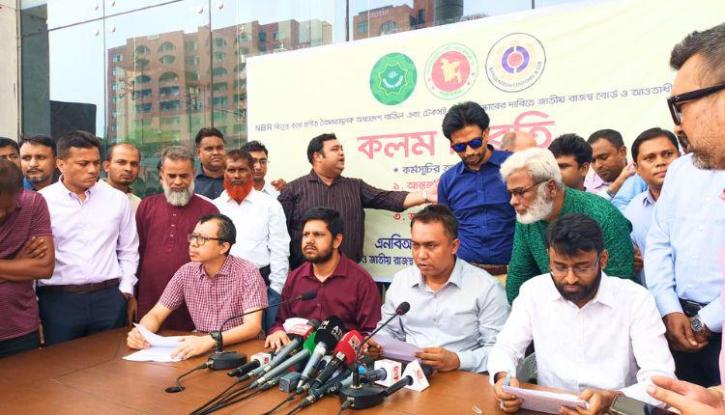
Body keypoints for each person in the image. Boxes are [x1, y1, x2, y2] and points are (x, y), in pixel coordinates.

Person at [490, 214, 676, 414]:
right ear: (549, 258)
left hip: (615, 410)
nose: (570, 279)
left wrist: (610, 399)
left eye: (582, 267)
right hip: (551, 409)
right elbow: (506, 347)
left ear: (603, 259)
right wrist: (504, 379)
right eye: (560, 267)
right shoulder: (533, 292)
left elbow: (661, 380)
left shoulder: (635, 299)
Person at [646, 22, 725, 413]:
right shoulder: (680, 171)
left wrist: (708, 319)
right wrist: (670, 308)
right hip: (678, 318)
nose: (678, 123)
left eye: (681, 105)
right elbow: (659, 242)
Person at [365, 205, 509, 373]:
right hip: (409, 375)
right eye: (415, 245)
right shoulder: (401, 281)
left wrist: (458, 360)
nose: (421, 255)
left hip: (464, 378)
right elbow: (389, 330)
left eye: (431, 245)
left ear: (454, 246)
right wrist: (378, 345)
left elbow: (500, 350)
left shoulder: (486, 287)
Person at [37, 130, 139, 346]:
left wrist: (125, 289)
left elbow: (129, 249)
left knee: (111, 362)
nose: (93, 170)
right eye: (83, 163)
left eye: (96, 162)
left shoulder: (117, 199)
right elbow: (34, 258)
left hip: (109, 299)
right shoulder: (42, 202)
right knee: (61, 364)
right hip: (58, 301)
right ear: (60, 164)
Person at [279, 133, 436, 269]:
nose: (341, 153)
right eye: (335, 149)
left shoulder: (355, 186)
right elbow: (278, 236)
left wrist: (426, 195)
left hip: (348, 276)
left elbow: (387, 198)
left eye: (342, 149)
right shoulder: (293, 190)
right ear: (317, 156)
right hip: (305, 277)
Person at [502, 148, 636, 304]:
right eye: (510, 193)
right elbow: (518, 278)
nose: (513, 201)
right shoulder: (529, 216)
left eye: (520, 192)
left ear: (551, 188)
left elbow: (620, 284)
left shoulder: (603, 216)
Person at [127, 214, 267, 359]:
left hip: (243, 350)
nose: (193, 243)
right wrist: (142, 333)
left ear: (224, 247)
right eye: (193, 237)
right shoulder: (186, 272)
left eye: (202, 239)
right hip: (202, 349)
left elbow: (252, 327)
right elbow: (156, 314)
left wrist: (210, 340)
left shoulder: (247, 273)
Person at [265, 207, 381, 350]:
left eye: (318, 235)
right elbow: (280, 322)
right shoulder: (295, 278)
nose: (309, 240)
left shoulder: (361, 281)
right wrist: (277, 332)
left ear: (337, 240)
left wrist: (362, 343)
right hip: (297, 354)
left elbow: (370, 333)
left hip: (341, 359)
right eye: (306, 234)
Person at [135, 146, 219, 331]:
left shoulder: (209, 210)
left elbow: (216, 259)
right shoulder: (146, 206)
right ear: (162, 174)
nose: (178, 182)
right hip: (150, 294)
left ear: (193, 174)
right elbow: (136, 253)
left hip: (193, 298)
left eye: (184, 176)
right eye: (172, 176)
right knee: (147, 341)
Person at [213, 149, 290, 332]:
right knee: (226, 337)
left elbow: (280, 249)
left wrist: (276, 289)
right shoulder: (214, 206)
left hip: (262, 284)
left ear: (251, 171)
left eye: (242, 170)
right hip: (222, 286)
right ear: (224, 172)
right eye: (231, 170)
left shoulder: (270, 205)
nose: (236, 175)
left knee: (260, 339)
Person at [437, 102, 516, 276]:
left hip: (515, 274)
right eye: (459, 147)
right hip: (466, 276)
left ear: (486, 133)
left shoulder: (516, 166)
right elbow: (445, 231)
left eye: (474, 143)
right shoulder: (447, 181)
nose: (469, 152)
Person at [0, 160, 54, 358]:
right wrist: (18, 263)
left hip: (20, 329)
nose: (0, 214)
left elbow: (44, 268)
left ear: (20, 192)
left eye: (7, 208)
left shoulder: (33, 203)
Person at [622, 128, 680, 287]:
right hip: (654, 299)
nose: (660, 162)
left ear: (681, 158)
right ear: (637, 168)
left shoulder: (705, 200)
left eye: (667, 154)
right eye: (650, 158)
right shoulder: (632, 210)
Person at [586, 129, 648, 210]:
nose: (598, 165)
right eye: (592, 161)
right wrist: (618, 183)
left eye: (603, 157)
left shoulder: (641, 174)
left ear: (622, 152)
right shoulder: (586, 185)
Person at [102, 143, 142, 214]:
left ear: (139, 169)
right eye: (121, 162)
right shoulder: (89, 197)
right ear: (107, 166)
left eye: (134, 164)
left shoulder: (138, 204)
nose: (128, 169)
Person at [193, 127, 225, 200]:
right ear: (198, 153)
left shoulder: (236, 178)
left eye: (219, 148)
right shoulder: (191, 182)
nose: (216, 153)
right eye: (209, 149)